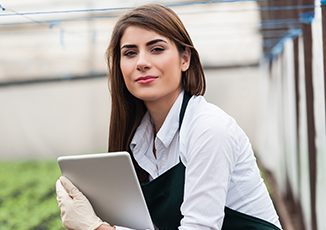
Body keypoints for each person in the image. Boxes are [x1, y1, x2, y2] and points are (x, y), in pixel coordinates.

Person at [56, 4, 282, 230]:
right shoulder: (140, 141)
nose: (141, 62)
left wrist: (96, 228)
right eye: (130, 53)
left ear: (185, 59)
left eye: (156, 49)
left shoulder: (208, 129)